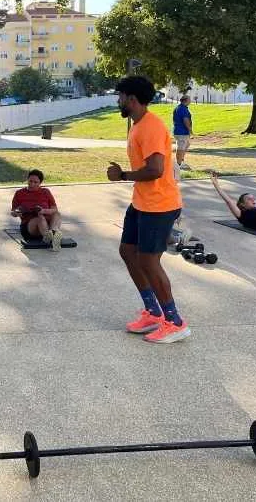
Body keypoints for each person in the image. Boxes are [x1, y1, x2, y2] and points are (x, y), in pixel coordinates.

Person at [107, 76, 190, 343]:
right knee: (128, 251)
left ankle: (175, 322)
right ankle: (153, 312)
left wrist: (122, 176)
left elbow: (156, 170)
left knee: (149, 261)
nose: (118, 101)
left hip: (159, 204)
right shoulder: (138, 125)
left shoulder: (151, 127)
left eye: (120, 97)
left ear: (131, 99)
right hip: (141, 202)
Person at [10, 169, 63, 251]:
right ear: (27, 180)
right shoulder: (19, 193)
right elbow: (13, 212)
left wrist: (43, 211)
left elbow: (54, 209)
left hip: (47, 222)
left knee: (57, 214)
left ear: (40, 183)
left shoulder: (45, 192)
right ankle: (49, 238)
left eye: (35, 182)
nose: (32, 184)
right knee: (40, 218)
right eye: (30, 181)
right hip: (29, 226)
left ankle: (53, 233)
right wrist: (17, 213)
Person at [172, 95, 193, 170]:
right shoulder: (183, 109)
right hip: (182, 132)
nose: (190, 101)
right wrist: (190, 129)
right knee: (181, 147)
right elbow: (185, 120)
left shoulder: (178, 108)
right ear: (185, 100)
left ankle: (181, 161)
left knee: (186, 144)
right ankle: (178, 164)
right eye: (189, 99)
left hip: (179, 131)